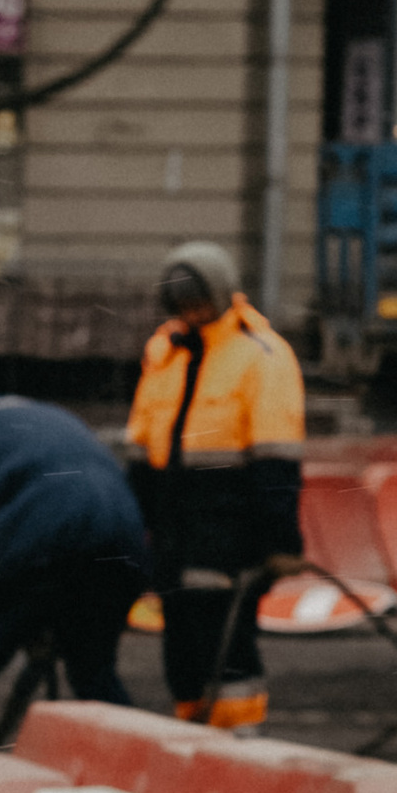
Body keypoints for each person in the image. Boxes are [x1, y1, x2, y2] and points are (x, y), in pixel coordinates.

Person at [122, 239, 306, 730]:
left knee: (224, 640)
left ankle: (239, 739)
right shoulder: (165, 355)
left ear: (223, 294)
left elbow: (277, 457)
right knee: (181, 645)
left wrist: (279, 540)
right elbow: (143, 446)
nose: (192, 312)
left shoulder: (261, 355)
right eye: (182, 303)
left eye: (198, 300)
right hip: (175, 527)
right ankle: (197, 737)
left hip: (230, 525)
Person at [0, 373, 149, 741]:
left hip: (42, 531)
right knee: (92, 666)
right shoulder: (48, 414)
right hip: (123, 538)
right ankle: (136, 765)